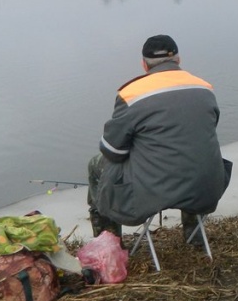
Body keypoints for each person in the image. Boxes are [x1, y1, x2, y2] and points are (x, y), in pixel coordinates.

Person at [87, 34, 229, 246]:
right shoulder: (205, 89)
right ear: (178, 60)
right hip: (206, 187)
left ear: (144, 65)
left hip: (153, 192)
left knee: (95, 165)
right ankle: (195, 238)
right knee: (191, 153)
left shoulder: (131, 94)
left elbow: (113, 151)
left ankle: (109, 246)